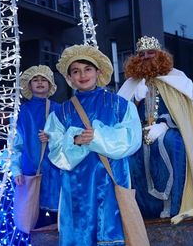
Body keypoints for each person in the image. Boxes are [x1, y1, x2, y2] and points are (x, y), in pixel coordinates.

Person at [43, 45, 142, 245]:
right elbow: (55, 152)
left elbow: (132, 139)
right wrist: (76, 140)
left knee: (113, 232)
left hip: (112, 184)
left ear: (98, 72)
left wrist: (97, 137)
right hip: (77, 190)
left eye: (87, 69)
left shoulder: (121, 105)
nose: (82, 75)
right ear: (70, 78)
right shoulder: (61, 114)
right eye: (76, 71)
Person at [118, 36, 193, 224]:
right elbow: (120, 117)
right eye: (142, 54)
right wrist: (135, 100)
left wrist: (165, 124)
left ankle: (173, 205)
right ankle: (143, 208)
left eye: (151, 53)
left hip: (169, 129)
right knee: (130, 156)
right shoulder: (131, 84)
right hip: (137, 132)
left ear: (160, 55)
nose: (146, 57)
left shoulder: (176, 79)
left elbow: (185, 114)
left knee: (172, 143)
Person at [10, 65, 61, 229]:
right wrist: (16, 169)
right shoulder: (22, 112)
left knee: (57, 218)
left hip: (56, 171)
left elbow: (68, 138)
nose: (40, 82)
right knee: (32, 219)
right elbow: (15, 143)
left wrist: (52, 137)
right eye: (35, 79)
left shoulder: (59, 109)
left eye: (44, 79)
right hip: (30, 172)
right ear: (29, 85)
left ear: (50, 84)